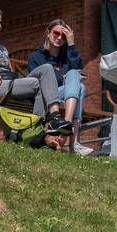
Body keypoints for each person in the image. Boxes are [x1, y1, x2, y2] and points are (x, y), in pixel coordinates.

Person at [0, 7, 71, 136]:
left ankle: (49, 121)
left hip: (10, 83)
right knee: (39, 85)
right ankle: (40, 130)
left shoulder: (2, 49)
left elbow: (10, 73)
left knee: (47, 68)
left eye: (0, 23)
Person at [26, 20, 92, 154]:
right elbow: (35, 83)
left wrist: (71, 43)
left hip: (65, 96)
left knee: (77, 81)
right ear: (48, 33)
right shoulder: (36, 57)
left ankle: (65, 123)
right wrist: (64, 78)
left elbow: (78, 69)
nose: (59, 38)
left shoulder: (66, 58)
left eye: (63, 36)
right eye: (56, 33)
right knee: (80, 87)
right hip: (45, 96)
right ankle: (73, 143)